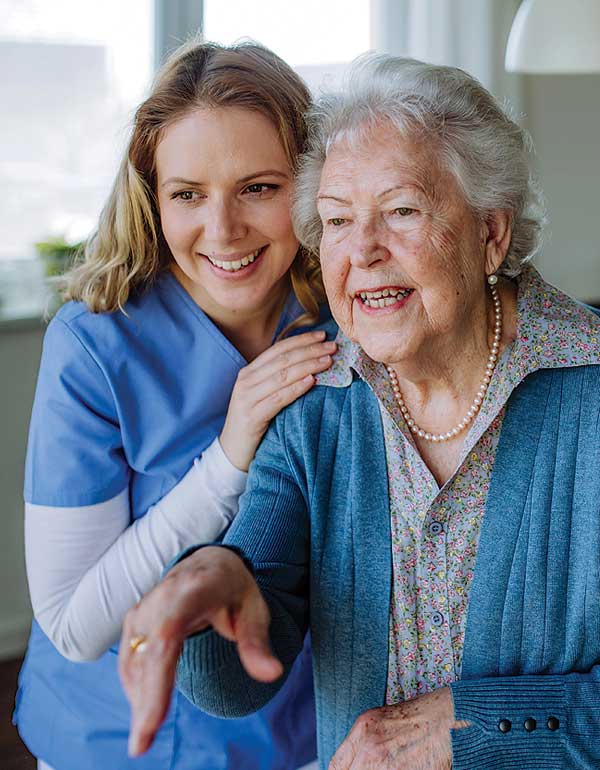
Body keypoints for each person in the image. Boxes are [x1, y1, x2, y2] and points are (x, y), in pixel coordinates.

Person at [118, 53, 600, 770]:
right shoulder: (318, 401)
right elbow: (241, 663)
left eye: (402, 211)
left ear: (490, 234)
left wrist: (467, 728)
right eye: (337, 221)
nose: (362, 252)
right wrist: (212, 586)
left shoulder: (589, 394)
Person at [15, 39, 334, 770]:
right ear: (153, 198)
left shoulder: (345, 319)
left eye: (258, 187)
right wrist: (231, 450)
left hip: (301, 731)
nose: (222, 231)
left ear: (313, 185)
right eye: (187, 194)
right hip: (116, 743)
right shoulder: (96, 346)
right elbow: (74, 625)